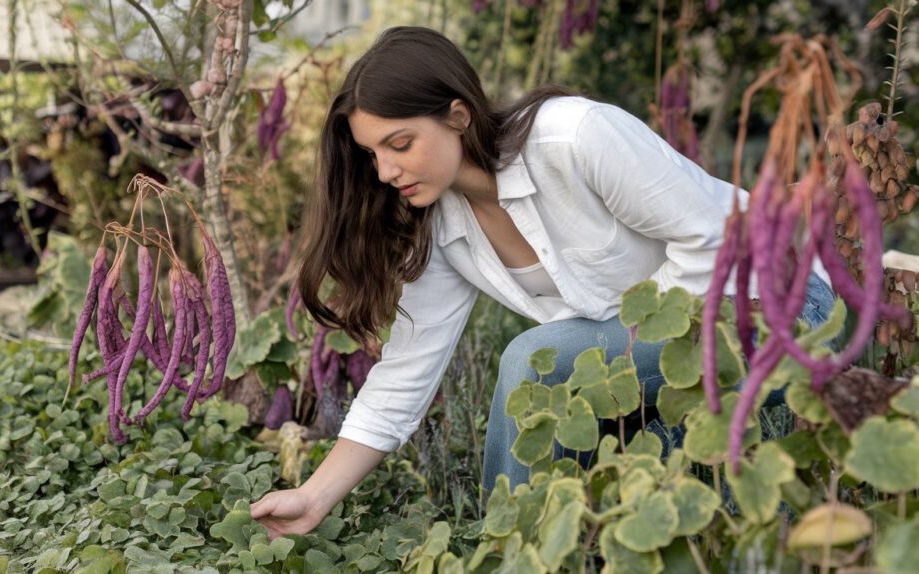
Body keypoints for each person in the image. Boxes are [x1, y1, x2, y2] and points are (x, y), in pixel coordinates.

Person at [249, 26, 834, 539]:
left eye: (400, 144)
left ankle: (510, 548)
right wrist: (314, 497)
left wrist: (608, 360)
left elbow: (716, 239)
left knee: (535, 362)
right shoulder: (443, 227)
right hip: (675, 351)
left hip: (777, 304)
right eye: (372, 154)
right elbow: (404, 376)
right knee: (631, 478)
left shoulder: (577, 137)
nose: (386, 170)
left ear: (459, 115)